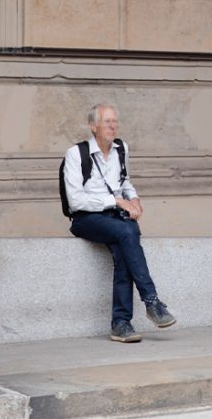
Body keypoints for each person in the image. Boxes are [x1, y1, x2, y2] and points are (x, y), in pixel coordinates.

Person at [62, 103, 177, 342]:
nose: (113, 126)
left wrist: (133, 199)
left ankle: (121, 324)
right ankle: (152, 302)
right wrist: (115, 201)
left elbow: (124, 182)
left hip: (116, 218)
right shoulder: (76, 154)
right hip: (86, 218)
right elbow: (76, 201)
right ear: (93, 126)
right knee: (127, 233)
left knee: (125, 244)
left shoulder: (121, 149)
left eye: (115, 121)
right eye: (107, 121)